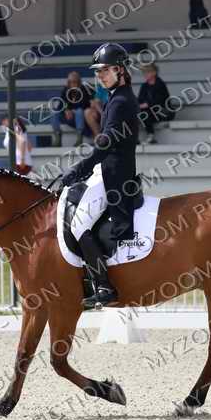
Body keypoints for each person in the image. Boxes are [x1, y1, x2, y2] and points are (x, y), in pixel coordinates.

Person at [60, 43, 140, 309]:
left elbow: (106, 144)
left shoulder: (121, 102)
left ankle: (104, 286)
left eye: (105, 70)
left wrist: (80, 168)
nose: (100, 75)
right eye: (98, 71)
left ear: (120, 70)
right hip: (106, 169)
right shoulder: (115, 98)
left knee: (78, 225)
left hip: (114, 174)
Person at [51, 71, 92, 147]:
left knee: (79, 111)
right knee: (54, 111)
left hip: (79, 116)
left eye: (74, 82)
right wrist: (66, 109)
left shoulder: (84, 90)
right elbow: (60, 105)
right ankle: (58, 137)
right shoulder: (65, 90)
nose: (72, 84)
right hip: (68, 116)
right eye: (70, 82)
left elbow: (84, 105)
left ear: (79, 82)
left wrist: (72, 110)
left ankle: (79, 139)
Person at [137, 63, 174, 144]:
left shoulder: (160, 84)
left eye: (147, 72)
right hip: (149, 110)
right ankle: (134, 138)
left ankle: (151, 136)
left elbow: (158, 101)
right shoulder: (144, 86)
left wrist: (145, 105)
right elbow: (140, 100)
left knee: (145, 114)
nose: (145, 74)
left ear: (154, 73)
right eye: (144, 72)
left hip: (163, 111)